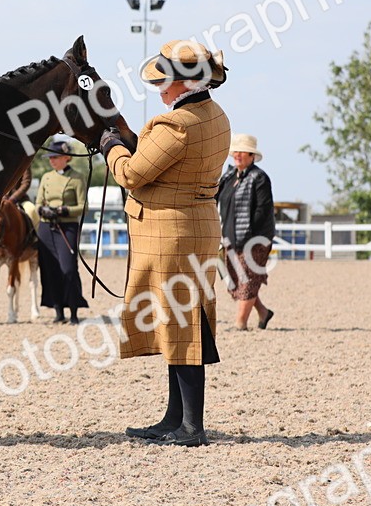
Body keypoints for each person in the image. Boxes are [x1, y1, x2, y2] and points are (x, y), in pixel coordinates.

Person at [99, 40, 231, 447]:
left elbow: (133, 173)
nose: (160, 89)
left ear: (185, 83)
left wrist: (111, 148)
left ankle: (191, 427)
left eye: (166, 82)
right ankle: (176, 417)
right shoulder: (216, 116)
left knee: (182, 327)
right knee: (182, 324)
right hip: (195, 228)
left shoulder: (177, 125)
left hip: (173, 235)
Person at [216, 134, 276, 330]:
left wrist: (250, 236)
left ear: (251, 155)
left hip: (255, 239)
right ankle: (264, 312)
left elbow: (263, 210)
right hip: (230, 237)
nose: (237, 155)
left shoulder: (259, 178)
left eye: (242, 151)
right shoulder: (228, 177)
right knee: (236, 279)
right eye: (236, 151)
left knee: (248, 279)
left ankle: (240, 323)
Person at [35, 141, 88, 324]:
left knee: (69, 269)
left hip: (67, 227)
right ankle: (58, 311)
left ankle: (73, 311)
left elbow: (83, 206)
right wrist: (42, 211)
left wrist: (64, 211)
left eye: (55, 157)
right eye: (50, 157)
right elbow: (38, 203)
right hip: (46, 228)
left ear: (67, 158)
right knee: (50, 269)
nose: (52, 161)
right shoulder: (46, 177)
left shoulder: (77, 178)